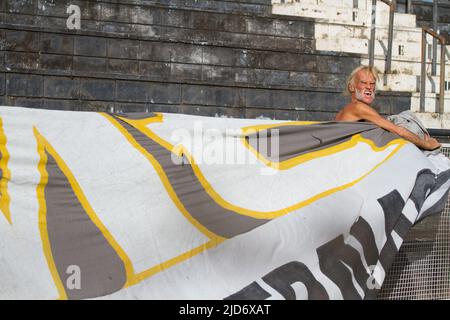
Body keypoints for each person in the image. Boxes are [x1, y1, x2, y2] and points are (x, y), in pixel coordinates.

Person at [335, 65, 441, 151]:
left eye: (372, 83)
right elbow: (399, 131)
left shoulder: (347, 110)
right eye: (363, 82)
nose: (369, 87)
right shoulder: (358, 107)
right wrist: (427, 144)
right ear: (351, 87)